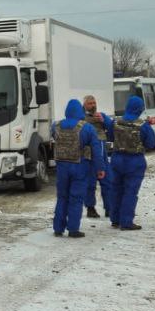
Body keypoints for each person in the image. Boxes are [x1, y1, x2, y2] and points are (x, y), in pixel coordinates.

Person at [52, 99, 106, 238]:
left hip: (62, 167)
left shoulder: (56, 126)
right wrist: (100, 168)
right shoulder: (87, 127)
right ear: (80, 111)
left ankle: (58, 228)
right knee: (76, 198)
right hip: (79, 166)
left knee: (62, 197)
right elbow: (96, 151)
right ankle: (73, 229)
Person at [107, 95, 155, 231]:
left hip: (117, 159)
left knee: (116, 190)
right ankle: (126, 221)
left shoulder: (115, 122)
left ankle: (115, 219)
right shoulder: (143, 125)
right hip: (134, 162)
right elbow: (151, 143)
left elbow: (110, 136)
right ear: (140, 109)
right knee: (130, 192)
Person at [81, 94, 113, 218]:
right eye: (90, 103)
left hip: (102, 154)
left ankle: (109, 208)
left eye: (94, 103)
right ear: (84, 105)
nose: (93, 105)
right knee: (90, 184)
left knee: (108, 182)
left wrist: (104, 121)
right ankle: (90, 208)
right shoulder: (81, 118)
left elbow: (112, 130)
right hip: (88, 156)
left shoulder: (102, 116)